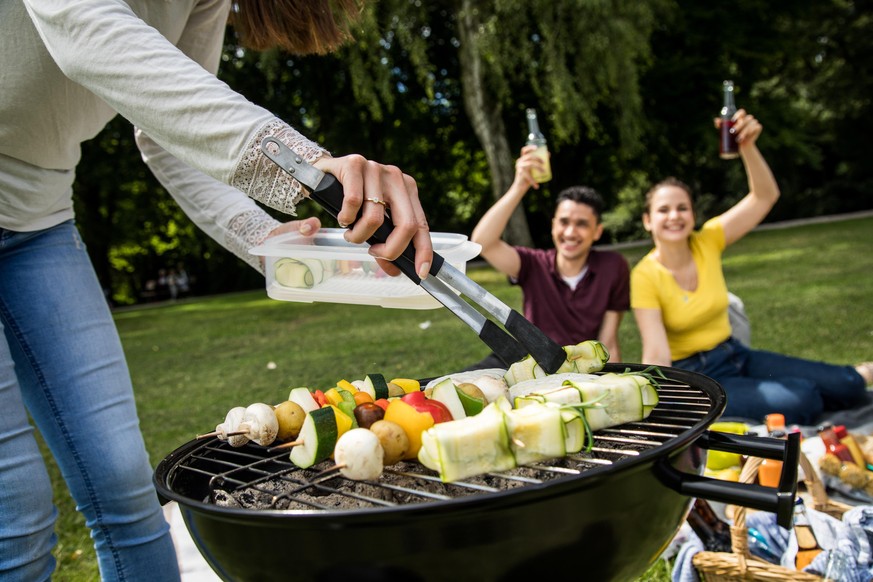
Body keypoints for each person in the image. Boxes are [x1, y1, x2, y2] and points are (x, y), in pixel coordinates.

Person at [1, 1, 433, 581]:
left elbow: (165, 132)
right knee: (17, 515)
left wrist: (263, 239)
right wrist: (308, 165)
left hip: (39, 220)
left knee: (128, 495)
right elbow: (85, 30)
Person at [631, 109, 873, 425]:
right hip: (698, 377)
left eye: (682, 208)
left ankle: (853, 375)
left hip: (736, 355)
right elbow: (657, 354)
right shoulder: (644, 276)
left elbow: (765, 196)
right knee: (805, 399)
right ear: (648, 221)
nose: (674, 216)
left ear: (693, 214)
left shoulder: (708, 240)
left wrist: (747, 147)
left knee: (850, 385)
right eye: (663, 210)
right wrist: (661, 404)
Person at [467, 144, 631, 370]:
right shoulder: (534, 263)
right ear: (553, 226)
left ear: (597, 231)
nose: (571, 232)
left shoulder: (613, 267)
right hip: (524, 361)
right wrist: (520, 186)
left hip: (575, 367)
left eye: (582, 224)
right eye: (564, 222)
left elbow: (609, 339)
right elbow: (482, 243)